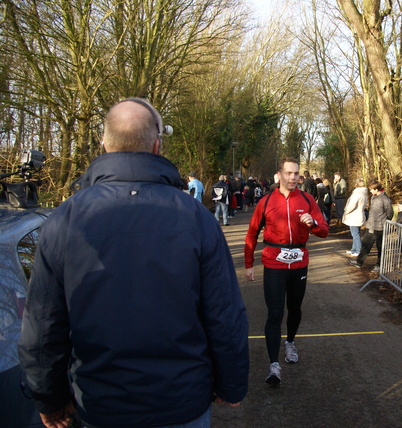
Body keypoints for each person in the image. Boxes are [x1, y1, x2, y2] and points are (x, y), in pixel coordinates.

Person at [18, 98, 249, 428]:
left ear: (105, 143)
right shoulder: (195, 217)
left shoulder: (66, 218)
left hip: (100, 402)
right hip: (179, 401)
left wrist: (49, 398)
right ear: (157, 145)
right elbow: (224, 314)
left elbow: (43, 322)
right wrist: (232, 382)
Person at [244, 157, 329, 385]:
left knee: (295, 308)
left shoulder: (308, 199)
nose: (293, 178)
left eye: (296, 174)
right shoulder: (266, 202)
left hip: (299, 262)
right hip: (274, 263)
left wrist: (313, 223)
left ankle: (290, 341)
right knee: (274, 313)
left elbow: (324, 230)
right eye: (288, 173)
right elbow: (252, 233)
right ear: (279, 175)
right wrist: (249, 264)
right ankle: (273, 365)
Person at [348, 180, 393, 272]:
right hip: (370, 225)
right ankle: (359, 262)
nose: (370, 191)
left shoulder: (385, 199)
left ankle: (379, 265)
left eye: (372, 189)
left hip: (380, 227)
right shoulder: (373, 197)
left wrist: (384, 221)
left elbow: (390, 213)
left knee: (380, 247)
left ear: (377, 189)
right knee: (365, 245)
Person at [342, 178, 368, 257]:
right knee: (356, 233)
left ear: (356, 184)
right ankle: (354, 249)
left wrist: (346, 211)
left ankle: (358, 250)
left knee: (355, 234)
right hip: (359, 215)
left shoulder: (357, 194)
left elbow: (351, 205)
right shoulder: (364, 194)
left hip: (354, 216)